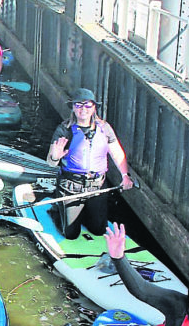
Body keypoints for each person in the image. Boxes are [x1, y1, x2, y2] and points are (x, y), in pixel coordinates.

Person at [45, 88, 134, 239]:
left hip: (97, 186)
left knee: (98, 230)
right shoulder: (64, 130)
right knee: (71, 234)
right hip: (70, 185)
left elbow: (117, 153)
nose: (83, 109)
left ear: (94, 108)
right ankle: (57, 211)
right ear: (73, 107)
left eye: (87, 105)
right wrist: (56, 157)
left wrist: (125, 176)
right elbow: (51, 162)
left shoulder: (105, 128)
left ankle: (82, 212)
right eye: (78, 105)